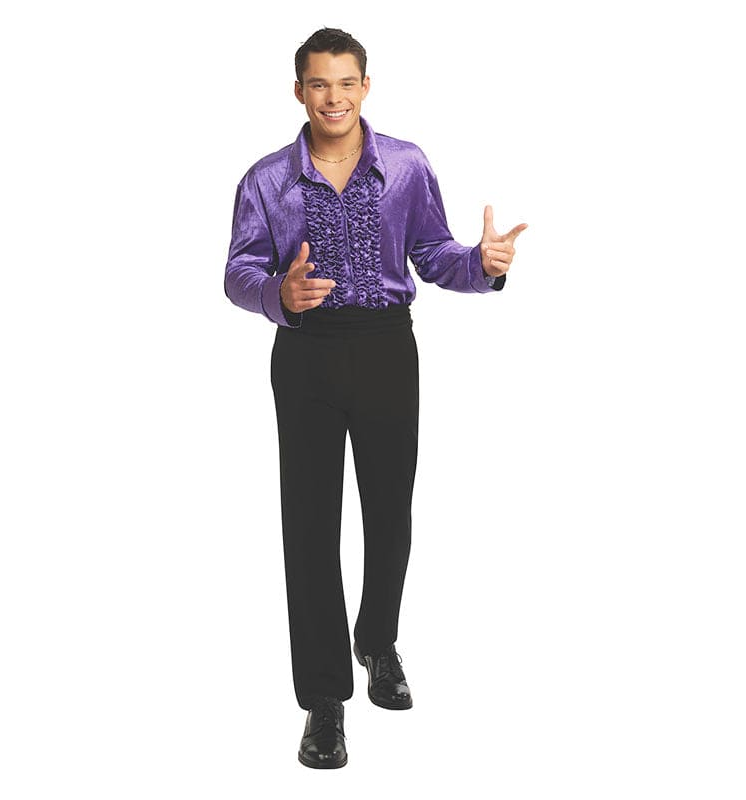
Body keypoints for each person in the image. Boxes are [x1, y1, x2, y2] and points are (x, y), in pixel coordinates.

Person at [223, 27, 527, 769]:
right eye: (318, 84)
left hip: (388, 348)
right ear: (299, 91)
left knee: (390, 512)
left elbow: (433, 254)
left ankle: (377, 641)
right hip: (306, 353)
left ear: (365, 86)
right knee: (309, 522)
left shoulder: (406, 165)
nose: (333, 97)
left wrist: (482, 264)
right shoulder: (265, 180)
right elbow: (237, 270)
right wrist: (276, 292)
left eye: (345, 82)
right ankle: (323, 698)